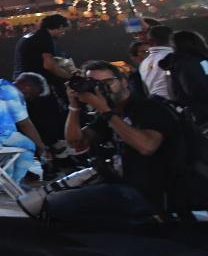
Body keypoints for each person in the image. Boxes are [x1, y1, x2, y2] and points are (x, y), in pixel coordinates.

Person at [19, 61, 180, 224]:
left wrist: (105, 110)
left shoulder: (149, 107)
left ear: (124, 81)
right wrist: (74, 107)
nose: (102, 89)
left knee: (57, 205)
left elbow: (147, 147)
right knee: (44, 200)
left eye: (107, 83)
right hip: (121, 182)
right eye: (94, 84)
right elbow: (75, 141)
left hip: (152, 191)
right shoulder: (112, 111)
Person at [13, 14, 74, 146]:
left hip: (23, 84)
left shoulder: (28, 36)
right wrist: (70, 76)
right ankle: (55, 146)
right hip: (36, 85)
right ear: (59, 27)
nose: (64, 34)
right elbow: (49, 65)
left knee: (36, 118)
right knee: (49, 116)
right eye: (64, 30)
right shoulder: (44, 38)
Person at [158, 30, 208, 123]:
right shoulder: (193, 62)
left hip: (191, 113)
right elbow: (197, 89)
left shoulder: (175, 63)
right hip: (202, 112)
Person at [139, 25, 174, 100]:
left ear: (150, 41)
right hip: (175, 105)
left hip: (156, 105)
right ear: (171, 39)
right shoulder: (174, 57)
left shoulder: (143, 63)